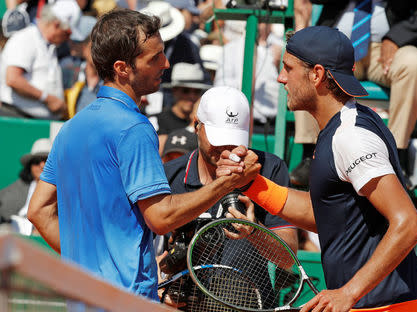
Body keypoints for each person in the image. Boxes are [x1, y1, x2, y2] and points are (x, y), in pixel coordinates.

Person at [27, 8, 259, 303]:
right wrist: (227, 184)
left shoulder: (71, 128)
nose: (166, 62)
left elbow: (38, 211)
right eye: (155, 58)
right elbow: (161, 217)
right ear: (123, 68)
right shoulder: (134, 128)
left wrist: (88, 267)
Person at [218, 26, 417, 311]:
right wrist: (252, 185)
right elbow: (323, 211)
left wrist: (348, 292)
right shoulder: (342, 129)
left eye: (288, 68)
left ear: (317, 74)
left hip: (390, 306)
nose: (281, 77)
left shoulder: (351, 137)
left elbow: (408, 224)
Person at [162, 86, 298, 308]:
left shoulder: (270, 169)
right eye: (218, 138)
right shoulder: (169, 175)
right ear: (197, 125)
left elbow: (287, 258)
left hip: (249, 304)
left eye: (234, 140)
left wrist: (254, 232)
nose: (226, 148)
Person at [290, 0, 417, 189]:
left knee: (414, 65)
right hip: (340, 43)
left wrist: (397, 37)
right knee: (310, 62)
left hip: (392, 45)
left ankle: (395, 157)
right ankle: (311, 155)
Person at [0, 1, 82, 120]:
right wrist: (47, 99)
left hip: (29, 121)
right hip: (17, 118)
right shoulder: (27, 38)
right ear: (56, 24)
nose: (68, 39)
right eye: (67, 33)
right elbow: (13, 79)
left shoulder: (47, 45)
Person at [149, 62, 211, 154]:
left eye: (197, 91)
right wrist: (191, 126)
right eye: (185, 91)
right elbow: (155, 152)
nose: (192, 96)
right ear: (174, 90)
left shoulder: (205, 125)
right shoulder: (156, 120)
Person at [0, 138, 51, 228]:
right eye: (36, 161)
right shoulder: (19, 186)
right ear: (30, 166)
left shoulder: (63, 190)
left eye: (47, 160)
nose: (42, 165)